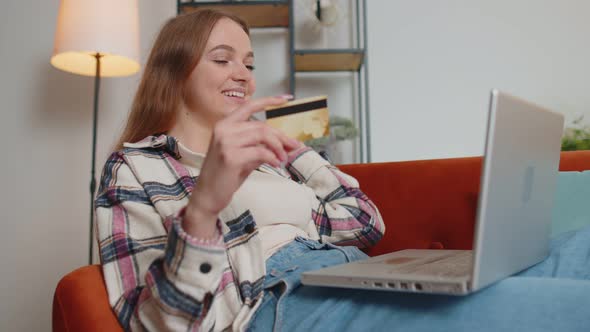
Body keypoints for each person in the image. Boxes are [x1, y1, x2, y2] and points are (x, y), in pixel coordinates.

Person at [96, 9, 590, 332]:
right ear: (174, 70)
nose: (244, 75)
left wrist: (293, 154)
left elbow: (366, 219)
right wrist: (203, 210)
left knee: (581, 246)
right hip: (273, 298)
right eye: (222, 59)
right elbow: (158, 322)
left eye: (248, 63)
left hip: (352, 272)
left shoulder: (274, 155)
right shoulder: (134, 167)